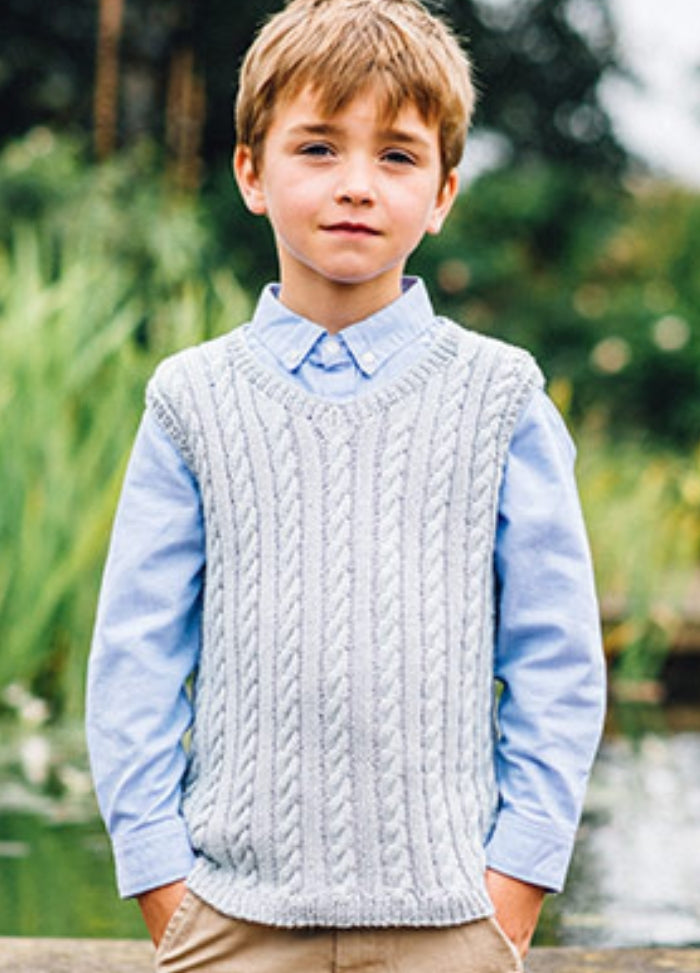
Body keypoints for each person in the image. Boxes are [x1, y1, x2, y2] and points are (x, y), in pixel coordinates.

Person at [86, 1, 606, 970]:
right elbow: (136, 657)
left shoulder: (503, 396)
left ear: (445, 190)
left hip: (452, 917)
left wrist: (516, 885)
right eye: (318, 148)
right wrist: (163, 882)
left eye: (398, 156)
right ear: (252, 172)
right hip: (231, 918)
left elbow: (557, 660)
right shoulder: (191, 398)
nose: (356, 186)